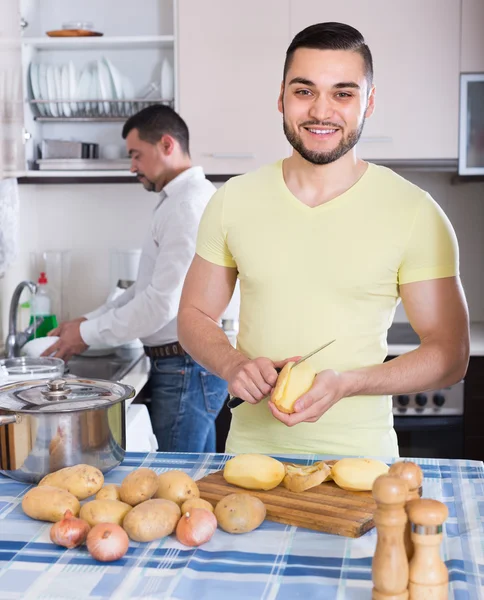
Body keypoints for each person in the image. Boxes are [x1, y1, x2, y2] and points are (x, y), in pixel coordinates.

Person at [177, 22, 470, 457]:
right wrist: (233, 363)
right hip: (251, 459)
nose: (321, 111)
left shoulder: (415, 212)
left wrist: (349, 383)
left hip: (364, 464)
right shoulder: (232, 200)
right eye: (304, 91)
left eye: (343, 93)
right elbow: (194, 314)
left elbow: (450, 354)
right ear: (281, 98)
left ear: (368, 102)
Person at [43, 104, 228, 453]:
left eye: (136, 155)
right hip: (185, 366)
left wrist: (85, 335)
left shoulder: (188, 206)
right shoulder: (178, 202)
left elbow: (161, 305)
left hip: (187, 367)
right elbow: (145, 290)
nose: (132, 167)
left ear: (167, 145)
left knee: (173, 481)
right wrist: (88, 320)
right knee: (193, 481)